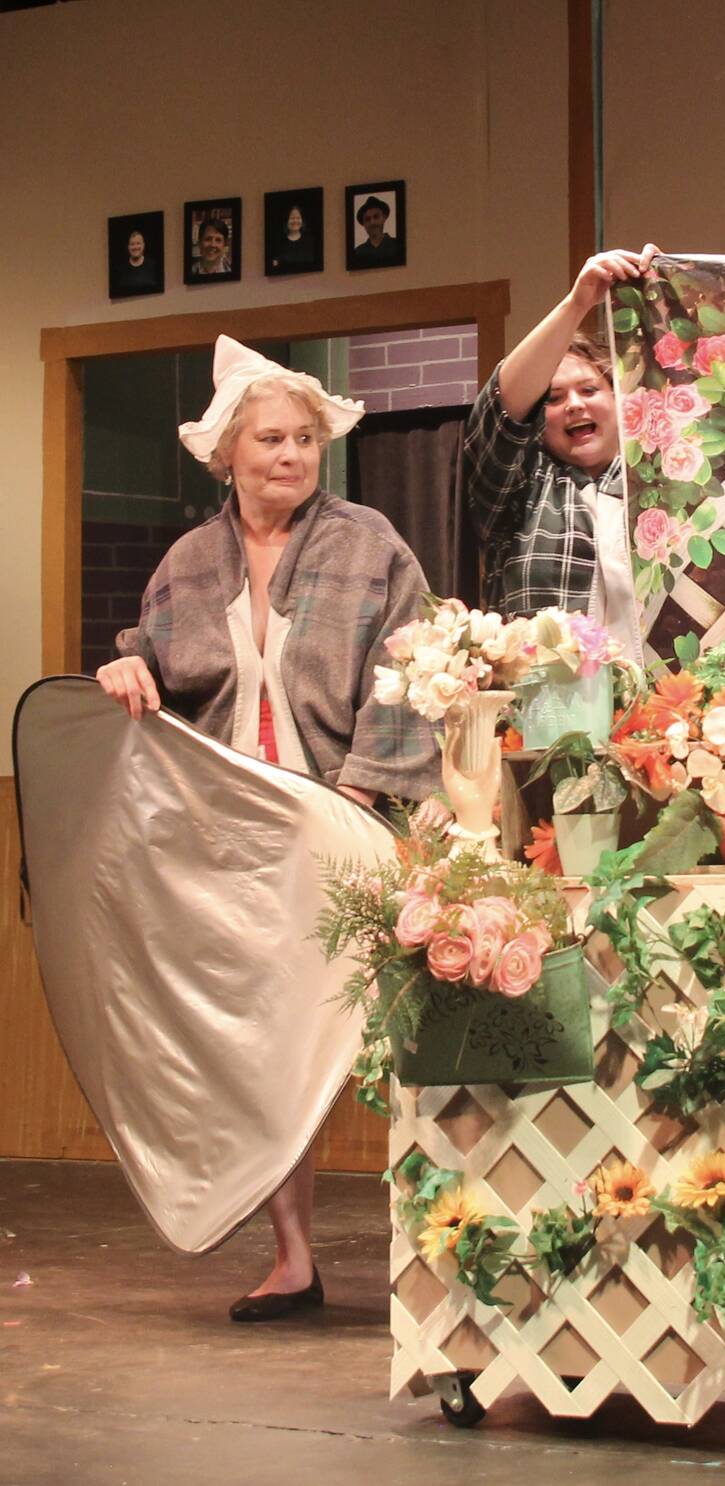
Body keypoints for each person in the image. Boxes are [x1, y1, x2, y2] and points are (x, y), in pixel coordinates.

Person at [96, 335, 440, 1322]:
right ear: (227, 456)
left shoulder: (370, 544)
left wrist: (365, 796)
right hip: (229, 838)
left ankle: (437, 1238)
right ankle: (292, 1256)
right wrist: (124, 669)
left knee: (371, 1031)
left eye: (303, 438)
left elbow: (411, 670)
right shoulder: (186, 563)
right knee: (258, 1041)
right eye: (269, 440)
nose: (289, 455)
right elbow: (150, 671)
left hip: (344, 820)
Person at [461, 243, 659, 659]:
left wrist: (666, 295)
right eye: (553, 398)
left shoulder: (665, 479)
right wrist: (578, 302)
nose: (574, 405)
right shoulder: (521, 488)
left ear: (621, 401)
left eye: (590, 390)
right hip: (549, 712)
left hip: (668, 708)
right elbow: (499, 408)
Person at [353, 195, 401, 267]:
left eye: (376, 216)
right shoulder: (358, 252)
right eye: (367, 219)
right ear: (363, 224)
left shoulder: (398, 245)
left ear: (384, 218)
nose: (372, 222)